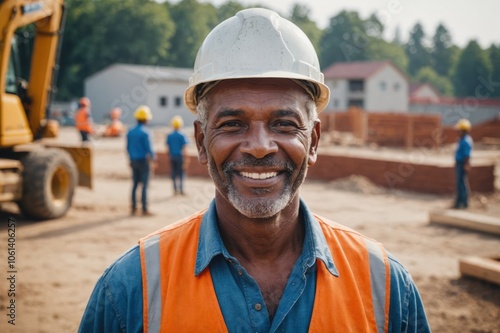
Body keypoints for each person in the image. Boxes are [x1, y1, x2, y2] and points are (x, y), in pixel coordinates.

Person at [79, 8, 430, 332]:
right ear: (201, 142)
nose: (260, 146)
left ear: (314, 141)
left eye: (284, 123)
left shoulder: (385, 287)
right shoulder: (130, 290)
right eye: (233, 124)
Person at [126, 105, 156, 216]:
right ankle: (144, 209)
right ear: (146, 119)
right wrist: (154, 159)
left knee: (134, 184)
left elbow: (128, 147)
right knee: (144, 185)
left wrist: (130, 158)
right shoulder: (146, 132)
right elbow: (149, 149)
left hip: (133, 160)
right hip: (143, 161)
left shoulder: (130, 132)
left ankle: (133, 208)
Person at [453, 118, 473, 209]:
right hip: (459, 163)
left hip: (462, 164)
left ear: (463, 130)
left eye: (459, 130)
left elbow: (467, 155)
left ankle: (463, 202)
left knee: (462, 184)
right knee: (460, 183)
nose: (458, 131)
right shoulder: (461, 139)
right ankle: (460, 201)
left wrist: (466, 164)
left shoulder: (466, 141)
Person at [166, 115, 188, 195]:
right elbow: (184, 148)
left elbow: (168, 148)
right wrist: (186, 158)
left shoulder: (169, 135)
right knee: (181, 173)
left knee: (174, 173)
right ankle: (181, 189)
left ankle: (175, 190)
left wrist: (169, 156)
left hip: (172, 156)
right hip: (180, 157)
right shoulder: (182, 135)